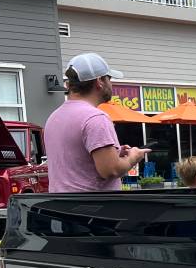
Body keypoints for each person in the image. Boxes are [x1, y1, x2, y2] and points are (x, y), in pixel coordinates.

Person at [44, 53, 149, 192]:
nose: (111, 84)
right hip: (92, 208)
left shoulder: (54, 117)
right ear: (99, 81)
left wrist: (113, 154)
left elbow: (75, 162)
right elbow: (110, 170)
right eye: (109, 78)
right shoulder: (95, 118)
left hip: (60, 207)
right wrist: (133, 158)